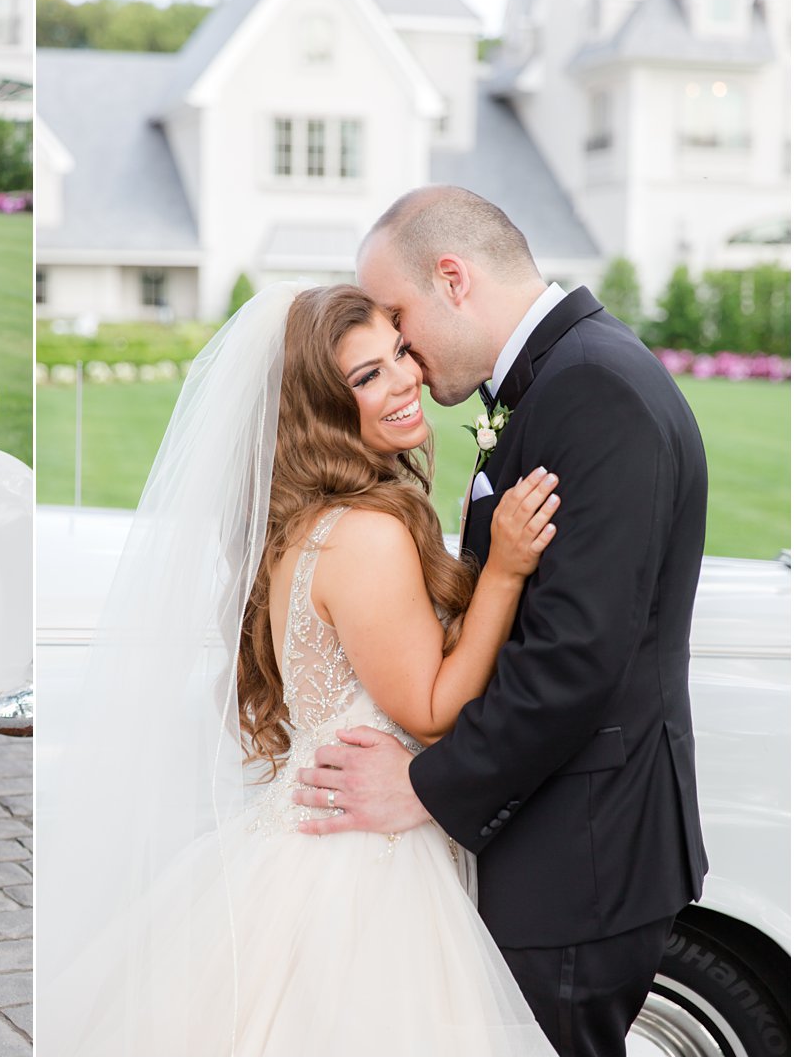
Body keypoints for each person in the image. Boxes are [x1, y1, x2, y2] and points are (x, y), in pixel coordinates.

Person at [40, 283, 559, 1055]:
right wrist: (506, 573)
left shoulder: (307, 521)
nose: (405, 379)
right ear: (321, 409)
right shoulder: (365, 534)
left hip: (318, 833)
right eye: (367, 376)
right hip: (363, 865)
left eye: (399, 355)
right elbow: (429, 706)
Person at [296, 186, 709, 1056]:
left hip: (578, 858)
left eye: (401, 322)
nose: (401, 352)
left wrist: (421, 788)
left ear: (453, 277)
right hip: (559, 847)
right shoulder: (569, 378)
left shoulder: (592, 389)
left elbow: (573, 658)